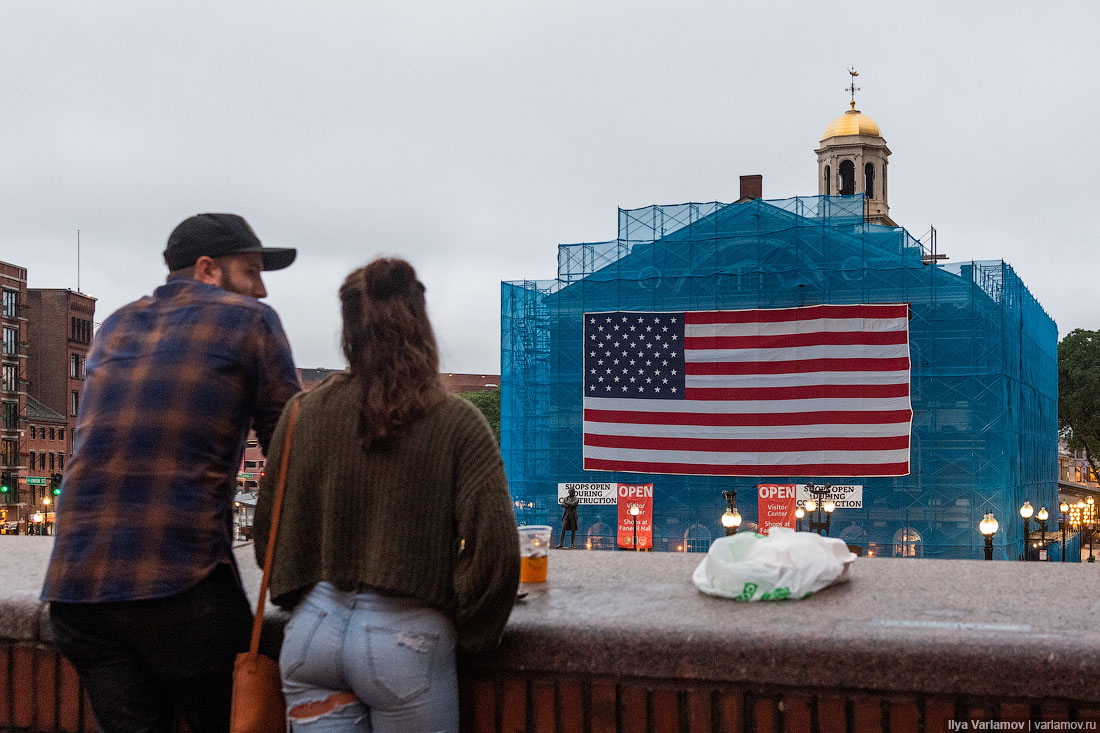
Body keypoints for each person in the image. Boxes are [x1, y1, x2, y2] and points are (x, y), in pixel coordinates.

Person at [41, 213, 301, 733]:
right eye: (251, 272)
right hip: (176, 584)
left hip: (75, 592)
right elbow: (294, 450)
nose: (262, 289)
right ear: (208, 269)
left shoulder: (115, 324)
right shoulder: (250, 321)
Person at [252, 257, 519, 732]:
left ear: (348, 329)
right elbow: (495, 553)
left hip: (310, 635)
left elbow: (265, 535)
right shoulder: (456, 422)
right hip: (407, 640)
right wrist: (467, 632)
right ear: (420, 323)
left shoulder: (300, 413)